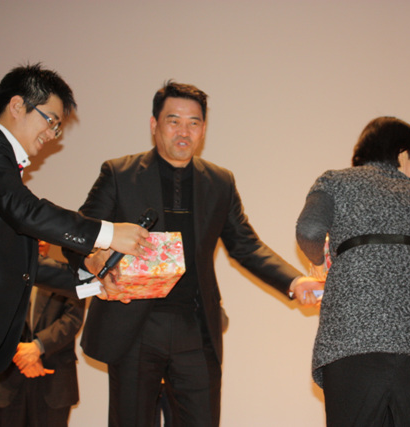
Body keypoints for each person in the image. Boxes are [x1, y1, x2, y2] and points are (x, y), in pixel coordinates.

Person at [65, 80, 321, 427]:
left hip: (195, 327)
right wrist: (93, 260)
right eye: (173, 121)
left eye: (194, 123)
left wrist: (294, 281)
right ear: (154, 124)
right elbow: (78, 234)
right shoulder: (119, 174)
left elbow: (246, 245)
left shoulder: (220, 182)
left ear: (203, 129)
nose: (184, 132)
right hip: (135, 325)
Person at [0, 63, 152, 427]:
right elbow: (28, 212)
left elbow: (28, 268)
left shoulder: (2, 173)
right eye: (51, 121)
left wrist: (94, 281)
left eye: (57, 127)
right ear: (17, 105)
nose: (53, 134)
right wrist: (107, 233)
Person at [296, 116, 410, 426]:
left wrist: (320, 265)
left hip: (354, 339)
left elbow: (309, 230)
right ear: (403, 154)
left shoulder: (335, 181)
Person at [0, 241, 85, 427]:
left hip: (53, 379)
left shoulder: (69, 275)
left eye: (44, 236)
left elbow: (73, 319)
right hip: (5, 378)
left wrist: (38, 347)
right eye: (35, 235)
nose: (41, 241)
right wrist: (19, 352)